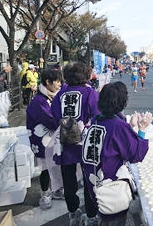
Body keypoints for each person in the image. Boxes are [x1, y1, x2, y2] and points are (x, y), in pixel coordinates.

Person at [82, 82, 150, 226]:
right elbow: (136, 154)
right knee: (114, 220)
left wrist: (129, 126)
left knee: (104, 215)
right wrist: (142, 128)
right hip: (111, 187)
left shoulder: (96, 120)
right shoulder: (118, 126)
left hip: (94, 181)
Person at [51, 62, 100, 226]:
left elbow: (54, 113)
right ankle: (91, 216)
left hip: (65, 141)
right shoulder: (90, 93)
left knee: (68, 179)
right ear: (86, 75)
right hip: (86, 142)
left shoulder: (61, 94)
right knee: (89, 179)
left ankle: (73, 212)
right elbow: (98, 114)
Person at [26, 69, 64, 210]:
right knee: (46, 167)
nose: (59, 84)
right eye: (57, 81)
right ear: (47, 82)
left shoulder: (51, 96)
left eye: (60, 81)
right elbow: (51, 120)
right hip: (42, 140)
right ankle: (45, 193)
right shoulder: (39, 101)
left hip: (52, 139)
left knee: (55, 165)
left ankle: (57, 189)